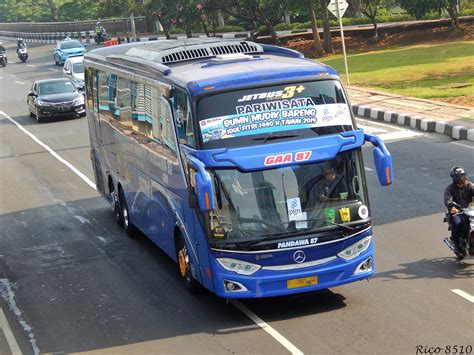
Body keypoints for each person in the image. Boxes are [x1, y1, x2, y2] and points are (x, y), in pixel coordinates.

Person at [444, 166, 474, 254]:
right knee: (457, 223)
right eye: (459, 176)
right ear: (454, 178)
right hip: (457, 211)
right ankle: (455, 243)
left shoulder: (469, 185)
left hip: (469, 210)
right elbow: (447, 199)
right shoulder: (450, 189)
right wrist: (451, 207)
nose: (461, 178)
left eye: (462, 175)